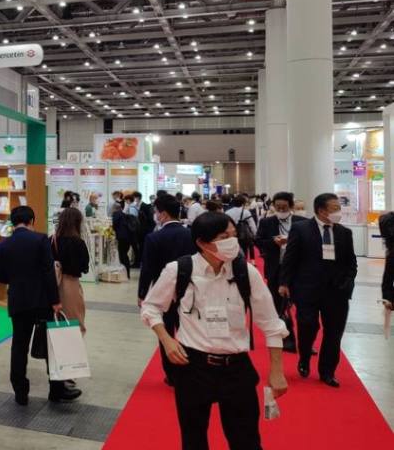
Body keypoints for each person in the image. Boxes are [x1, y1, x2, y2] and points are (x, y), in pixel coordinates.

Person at [141, 212, 289, 449]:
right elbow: (151, 307)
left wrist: (277, 371)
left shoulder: (245, 272)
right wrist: (167, 340)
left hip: (236, 368)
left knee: (246, 440)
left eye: (234, 234)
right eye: (224, 237)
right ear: (202, 243)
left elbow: (271, 323)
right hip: (193, 367)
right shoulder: (179, 270)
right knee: (193, 439)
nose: (233, 241)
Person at [0, 206, 78, 405]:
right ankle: (56, 390)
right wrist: (55, 301)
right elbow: (48, 272)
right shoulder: (41, 240)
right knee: (51, 345)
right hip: (41, 301)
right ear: (32, 220)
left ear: (13, 222)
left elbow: (2, 277)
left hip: (18, 301)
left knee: (19, 346)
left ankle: (20, 392)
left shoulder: (3, 245)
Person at [279, 193, 357, 387]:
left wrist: (347, 283)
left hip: (336, 292)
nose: (339, 211)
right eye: (334, 208)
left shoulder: (344, 233)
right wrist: (284, 283)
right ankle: (304, 357)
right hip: (307, 289)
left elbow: (351, 263)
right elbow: (290, 258)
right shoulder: (301, 229)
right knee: (307, 326)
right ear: (321, 210)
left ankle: (327, 372)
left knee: (334, 333)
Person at [138, 194, 197, 386]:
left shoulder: (154, 238)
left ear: (163, 214)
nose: (155, 215)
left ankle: (172, 374)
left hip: (164, 293)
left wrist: (142, 294)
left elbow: (147, 269)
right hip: (190, 291)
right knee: (190, 330)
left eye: (156, 212)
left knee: (167, 332)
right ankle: (191, 369)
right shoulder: (191, 235)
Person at [255, 192, 305, 353]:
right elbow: (258, 241)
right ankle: (281, 338)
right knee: (276, 304)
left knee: (302, 307)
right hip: (275, 268)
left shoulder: (301, 222)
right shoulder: (266, 222)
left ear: (291, 206)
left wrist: (291, 241)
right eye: (278, 207)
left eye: (284, 207)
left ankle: (305, 341)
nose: (281, 210)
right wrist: (273, 242)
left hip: (297, 269)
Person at [52, 208, 90, 333]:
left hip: (53, 285)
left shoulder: (52, 240)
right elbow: (84, 267)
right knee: (74, 320)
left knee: (56, 320)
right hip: (71, 285)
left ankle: (57, 344)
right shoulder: (79, 243)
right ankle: (72, 344)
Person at [111, 202, 135, 278]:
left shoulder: (116, 214)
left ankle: (125, 273)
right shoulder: (124, 215)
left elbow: (114, 225)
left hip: (122, 237)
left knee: (122, 255)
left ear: (114, 208)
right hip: (128, 237)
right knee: (125, 254)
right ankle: (127, 273)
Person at [135, 192, 155, 267]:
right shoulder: (147, 206)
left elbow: (149, 219)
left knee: (144, 246)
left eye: (153, 198)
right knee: (142, 246)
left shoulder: (145, 206)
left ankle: (144, 261)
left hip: (147, 229)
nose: (152, 200)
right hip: (143, 230)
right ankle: (141, 261)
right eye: (151, 198)